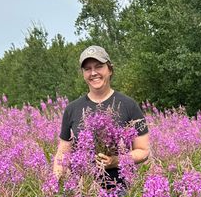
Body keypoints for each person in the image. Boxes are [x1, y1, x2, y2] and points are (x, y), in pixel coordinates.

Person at [53, 45, 150, 189]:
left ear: (110, 69)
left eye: (99, 66)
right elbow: (62, 153)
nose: (93, 73)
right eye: (87, 69)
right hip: (83, 189)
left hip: (120, 188)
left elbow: (143, 151)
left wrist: (116, 160)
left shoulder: (129, 105)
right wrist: (55, 183)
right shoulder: (72, 109)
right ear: (83, 73)